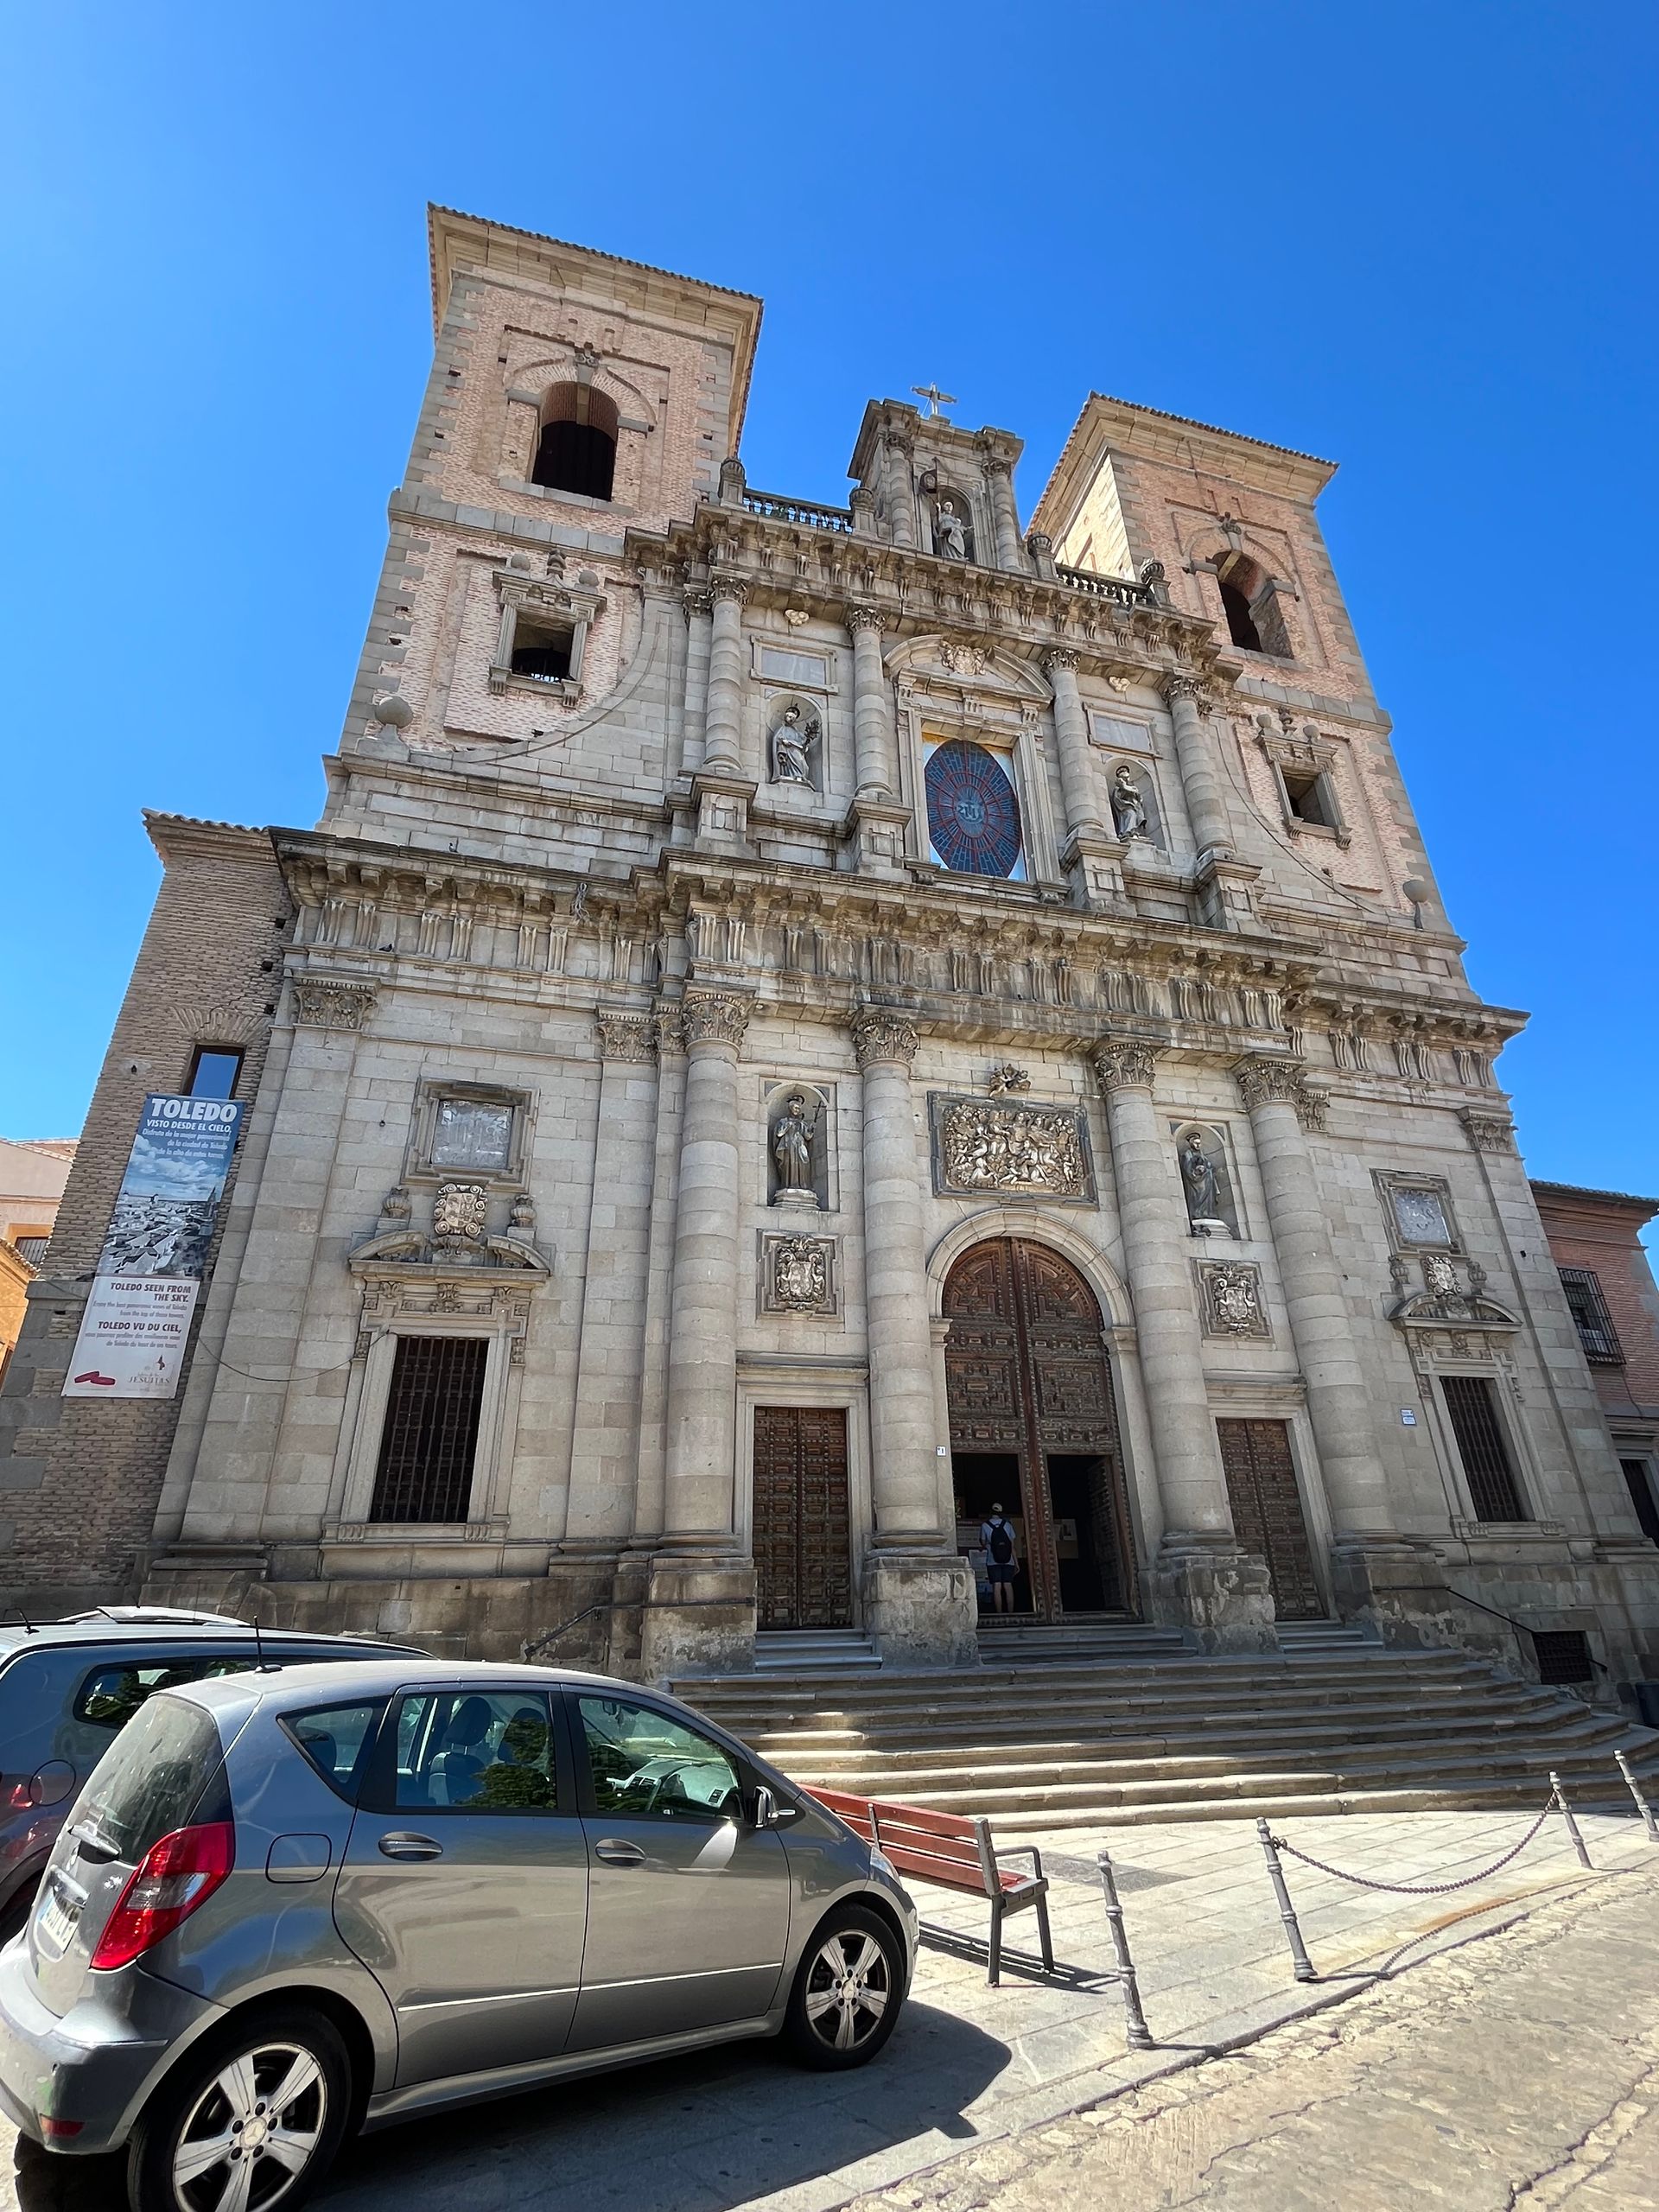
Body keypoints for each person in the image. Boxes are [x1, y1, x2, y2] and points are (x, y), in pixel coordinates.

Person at [980, 1502, 1020, 1613]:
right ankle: (1011, 1613)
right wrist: (1016, 1563)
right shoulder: (1008, 1525)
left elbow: (983, 1542)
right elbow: (1012, 1547)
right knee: (1008, 1585)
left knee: (996, 1586)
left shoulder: (985, 1526)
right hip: (1009, 1561)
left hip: (993, 1561)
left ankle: (999, 1614)